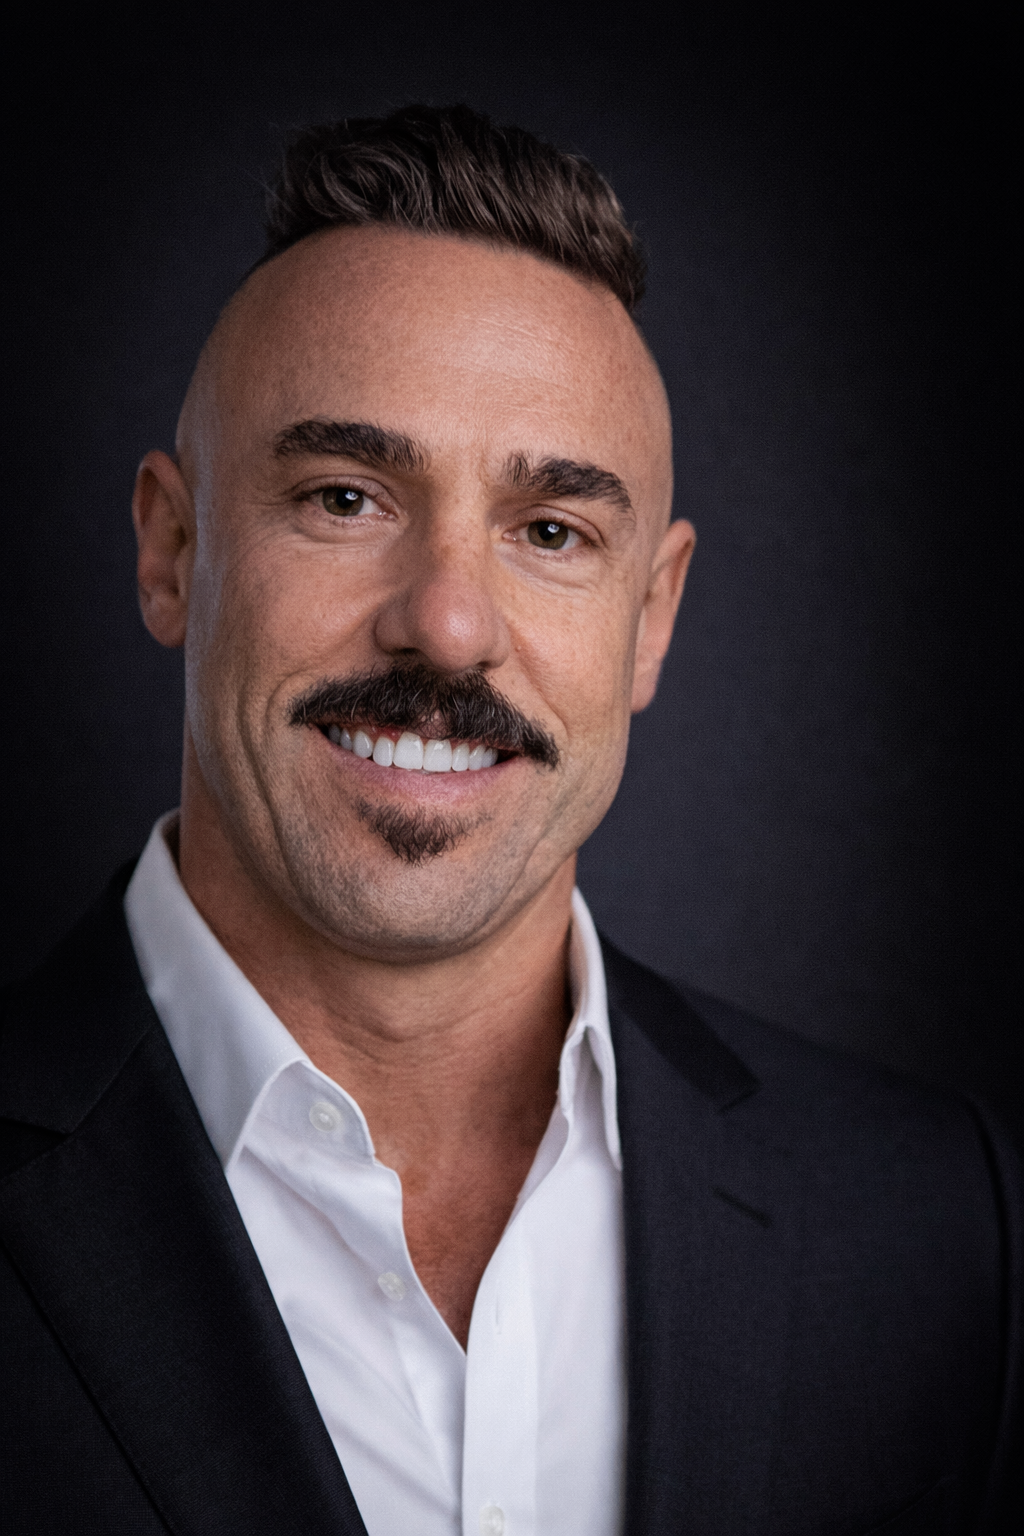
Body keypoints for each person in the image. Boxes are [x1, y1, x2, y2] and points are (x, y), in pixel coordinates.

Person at [0, 104, 1018, 1536]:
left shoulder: (927, 1228)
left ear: (651, 617)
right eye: (346, 496)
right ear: (173, 551)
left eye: (551, 532)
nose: (450, 623)